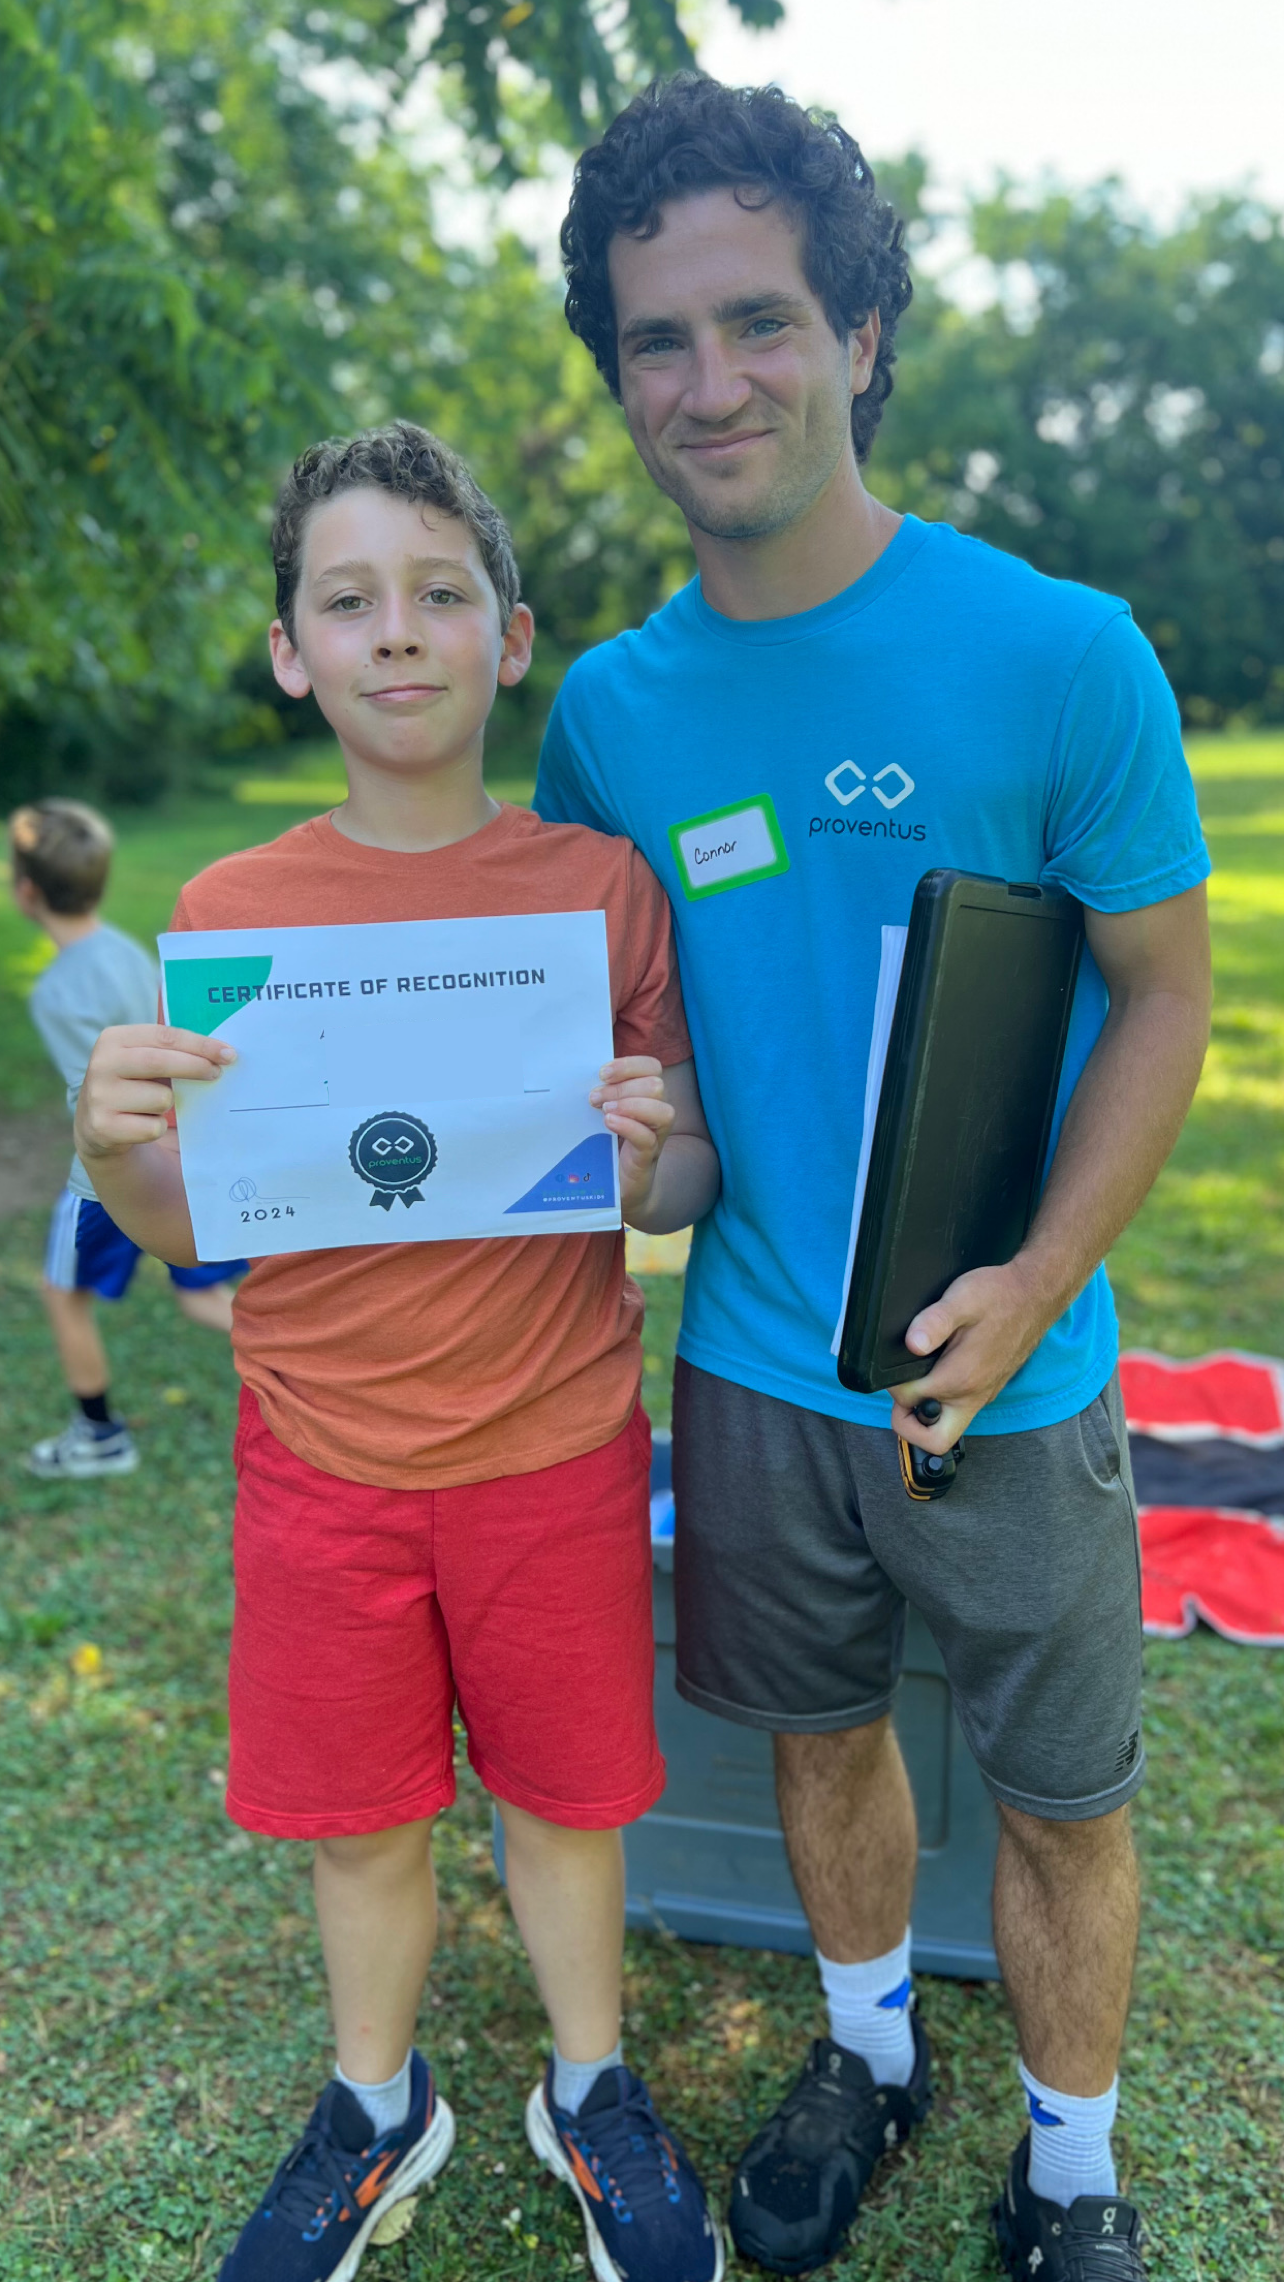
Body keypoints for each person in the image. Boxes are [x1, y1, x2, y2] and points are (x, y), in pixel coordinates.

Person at [535, 76, 1212, 2282]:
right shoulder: (615, 719)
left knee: (1062, 1796)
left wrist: (1035, 1283)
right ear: (619, 367)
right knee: (823, 1746)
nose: (711, 381)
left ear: (861, 335)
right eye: (658, 338)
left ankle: (1077, 2163)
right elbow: (629, 1052)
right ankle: (866, 2050)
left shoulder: (1057, 653)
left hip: (1004, 1375)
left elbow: (1164, 1006)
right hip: (749, 1361)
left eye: (761, 321)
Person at [74, 422, 726, 2282]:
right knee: (357, 1821)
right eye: (348, 601)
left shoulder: (595, 890)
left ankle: (588, 2088)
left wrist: (644, 1145)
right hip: (322, 1465)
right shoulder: (228, 918)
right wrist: (124, 1144)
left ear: (509, 634)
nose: (398, 632)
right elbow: (197, 1220)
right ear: (291, 651)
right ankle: (379, 2104)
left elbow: (675, 1173)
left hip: (547, 1448)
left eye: (441, 593)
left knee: (565, 1796)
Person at [8, 798, 244, 1481]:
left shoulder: (56, 989)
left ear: (27, 891)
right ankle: (309, 1362)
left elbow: (95, 1098)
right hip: (182, 1148)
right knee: (201, 1296)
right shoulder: (124, 950)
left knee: (61, 1293)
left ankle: (100, 1434)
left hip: (109, 1175)